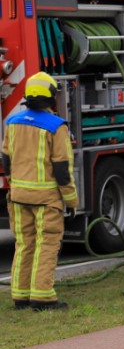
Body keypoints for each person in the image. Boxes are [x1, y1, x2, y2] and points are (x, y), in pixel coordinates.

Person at [2, 72, 79, 311]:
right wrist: (71, 201)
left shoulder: (12, 122)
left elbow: (6, 158)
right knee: (46, 245)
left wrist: (14, 184)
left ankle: (20, 295)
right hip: (46, 199)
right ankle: (43, 297)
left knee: (24, 244)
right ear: (52, 97)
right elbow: (62, 169)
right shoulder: (56, 127)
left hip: (18, 196)